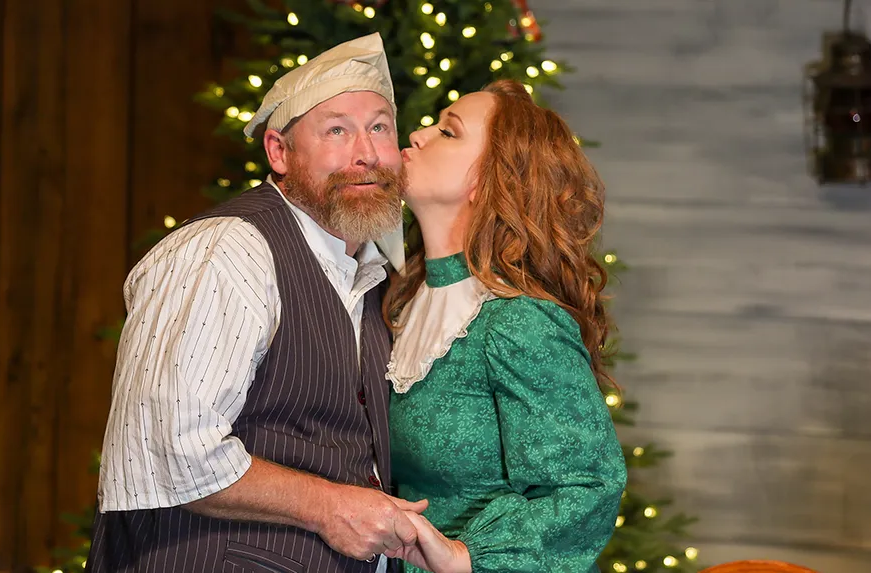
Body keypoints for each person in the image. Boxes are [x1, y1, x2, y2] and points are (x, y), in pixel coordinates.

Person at [86, 33, 427, 573]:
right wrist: (330, 507)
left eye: (379, 127)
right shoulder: (229, 248)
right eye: (336, 130)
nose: (366, 154)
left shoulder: (373, 277)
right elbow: (172, 449)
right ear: (279, 152)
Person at [382, 80, 628, 573]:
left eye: (448, 132)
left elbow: (588, 485)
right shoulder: (401, 295)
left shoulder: (517, 322)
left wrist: (467, 556)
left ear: (488, 180)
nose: (418, 134)